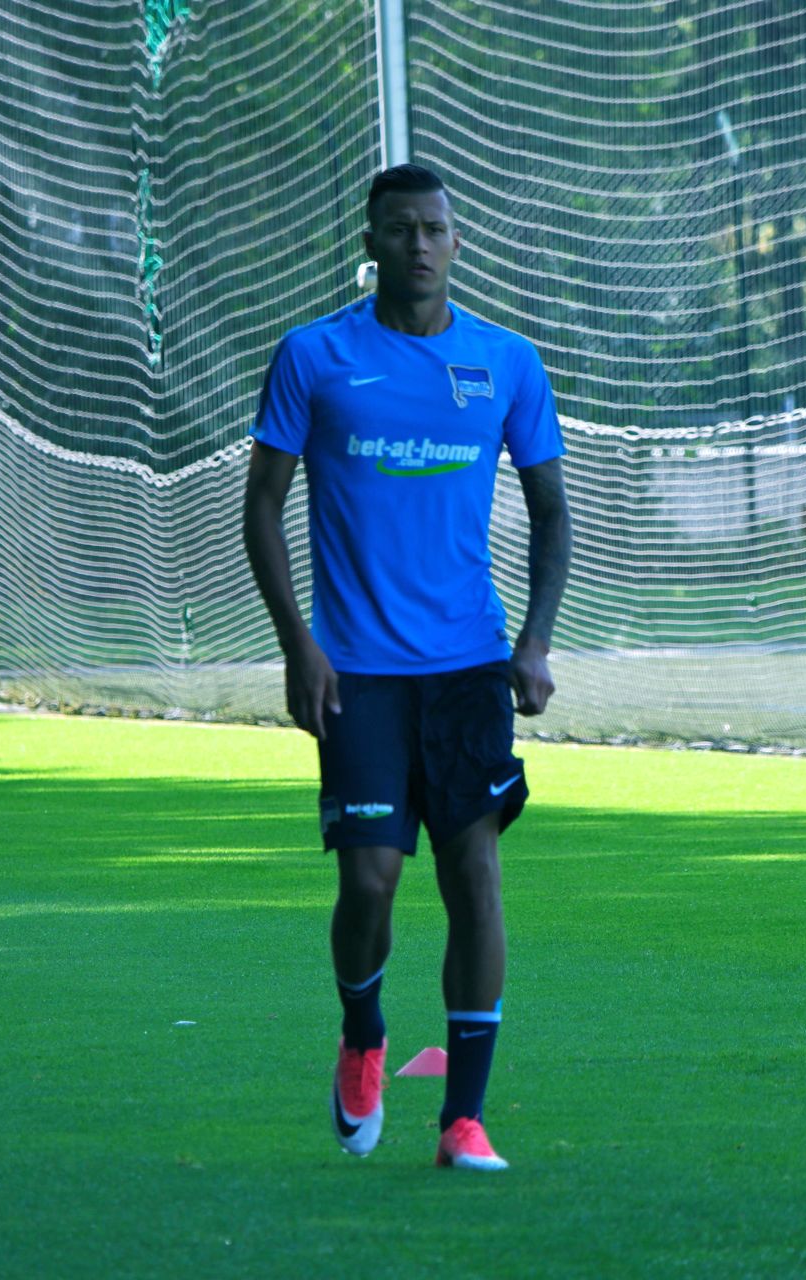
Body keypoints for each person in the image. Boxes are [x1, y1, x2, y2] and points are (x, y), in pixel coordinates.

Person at [243, 164, 571, 1171]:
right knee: (370, 881)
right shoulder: (315, 356)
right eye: (400, 229)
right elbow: (261, 506)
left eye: (434, 228)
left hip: (469, 666)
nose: (419, 244)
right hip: (356, 673)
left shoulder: (505, 362)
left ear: (457, 241)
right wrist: (297, 643)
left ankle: (462, 1119)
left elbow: (552, 513)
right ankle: (362, 1031)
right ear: (371, 242)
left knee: (475, 875)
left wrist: (533, 641)